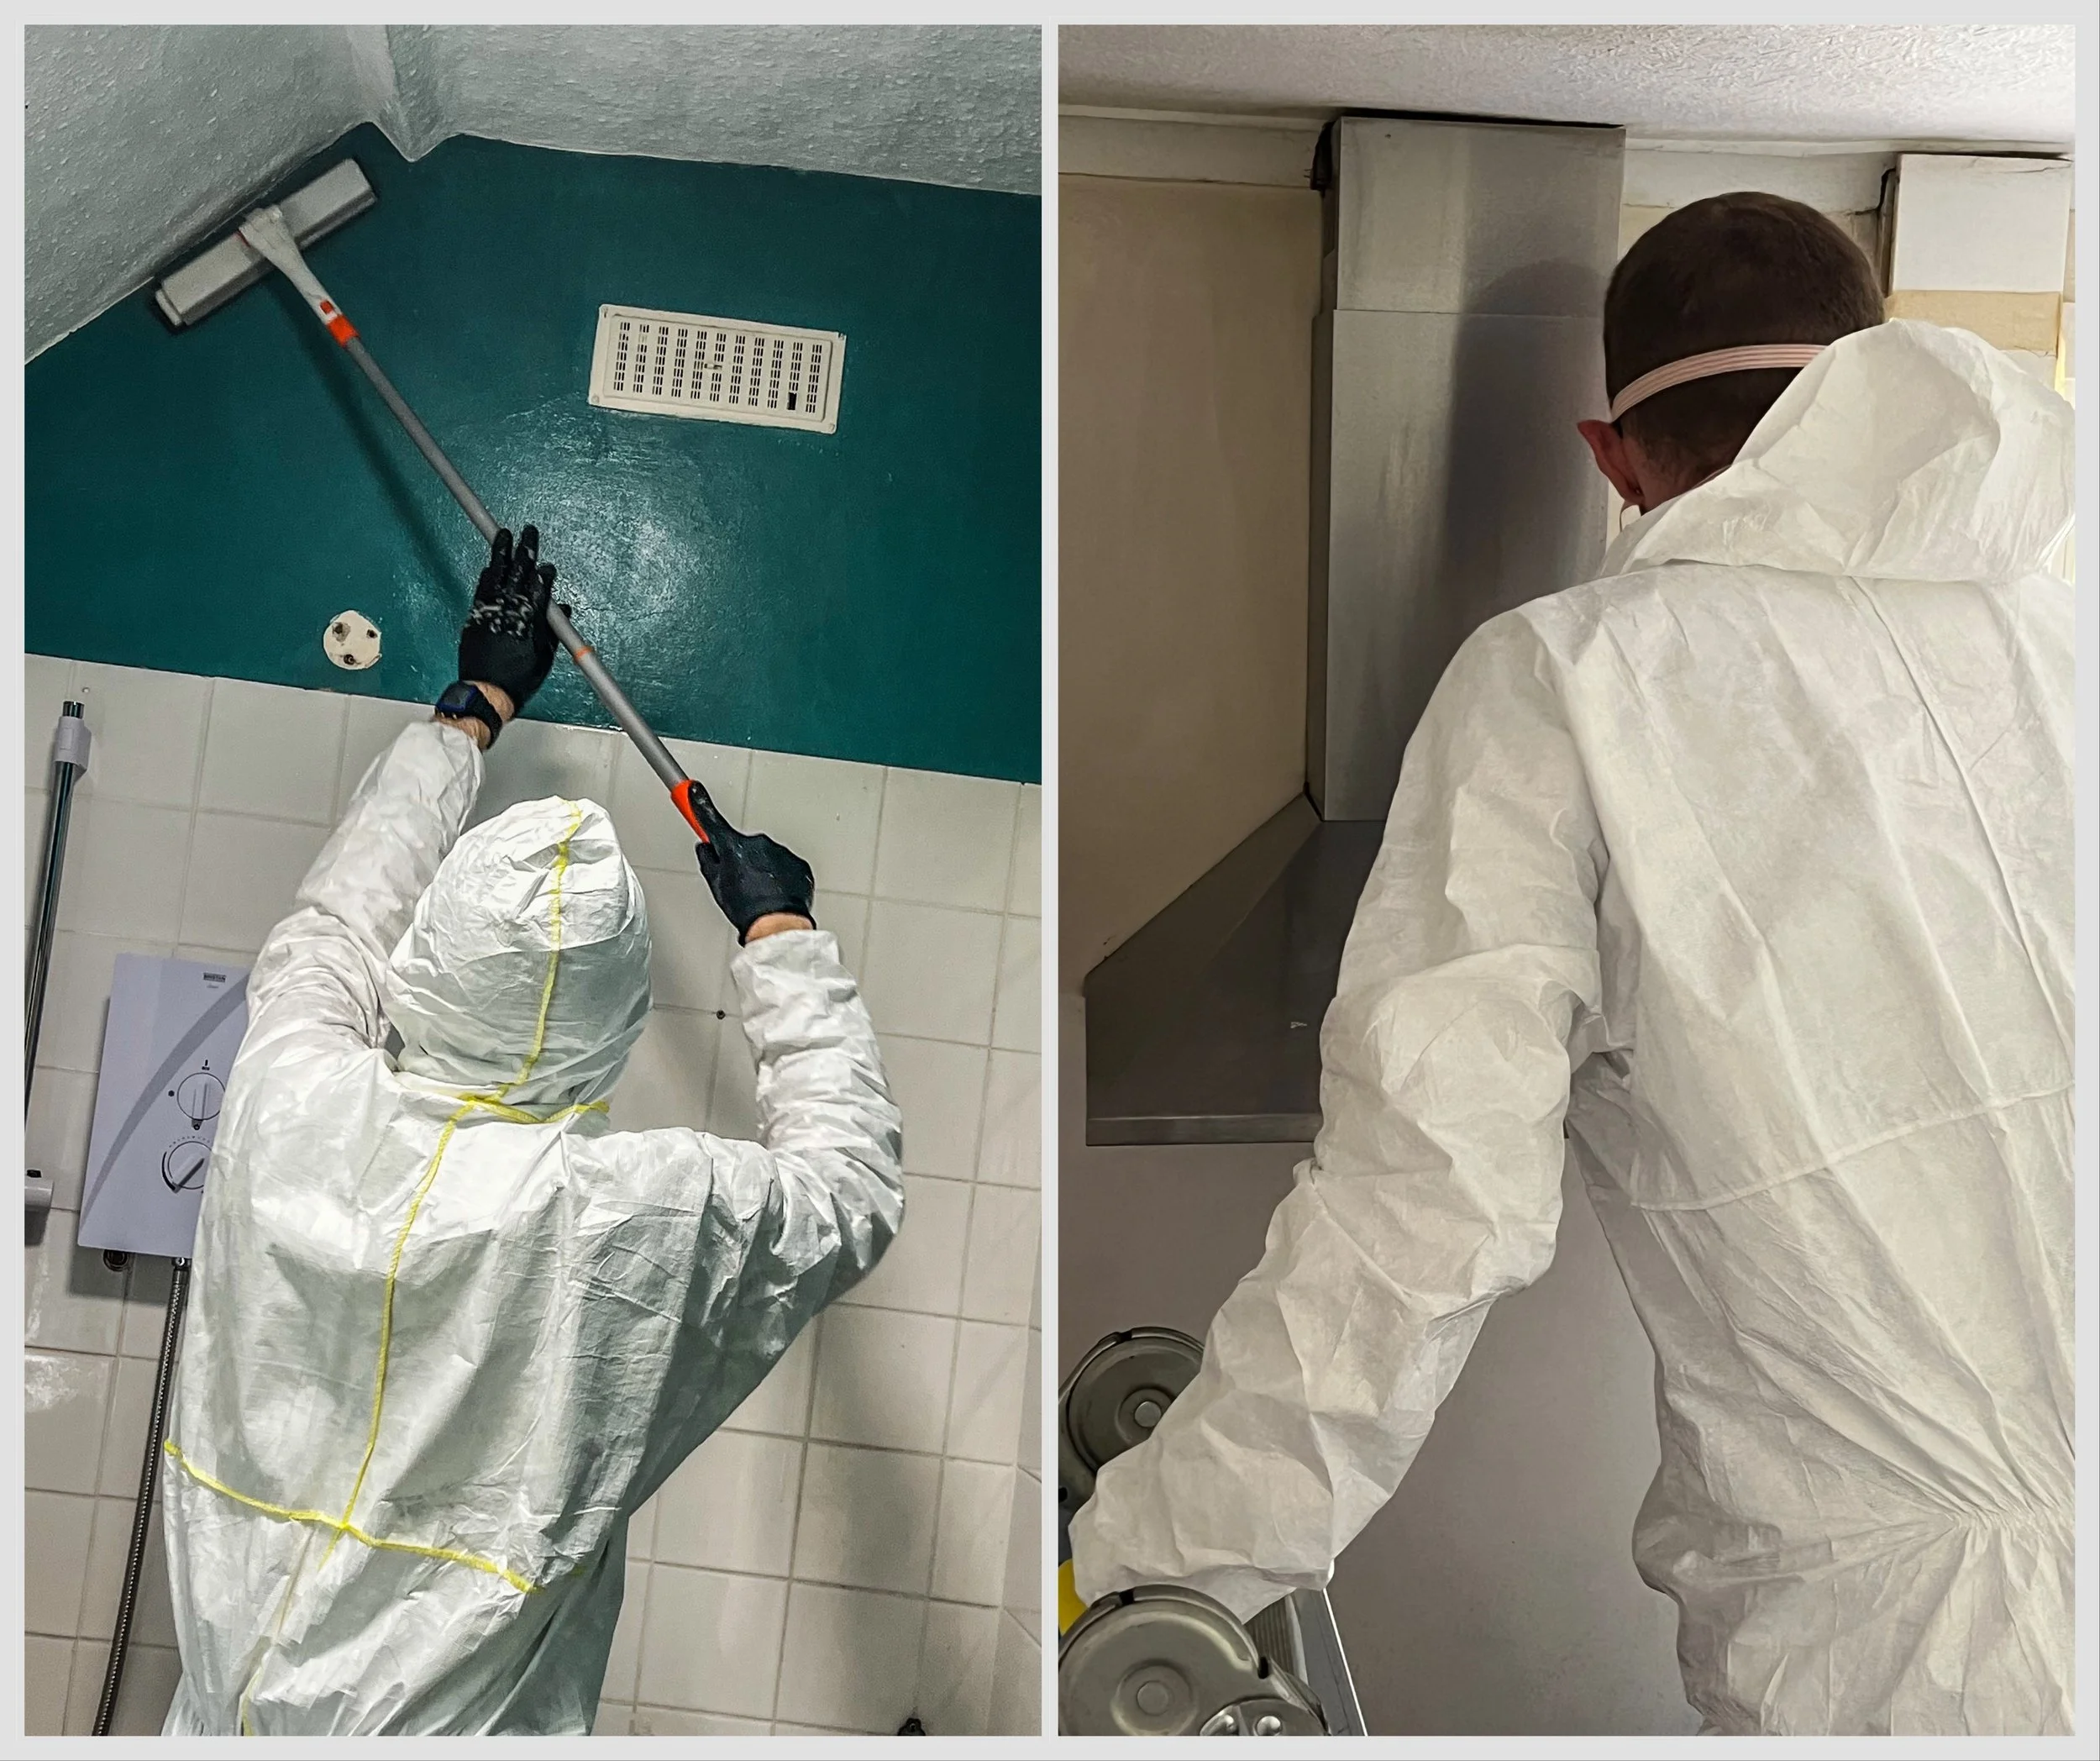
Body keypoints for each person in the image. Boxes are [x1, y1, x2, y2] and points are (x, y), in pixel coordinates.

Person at [1069, 192, 2073, 1736]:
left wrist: (1147, 1573)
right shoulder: (2063, 643)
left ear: (1612, 460)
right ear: (1873, 383)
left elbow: (1422, 1209)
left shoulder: (1577, 680)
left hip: (1912, 1661)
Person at [160, 527, 904, 1734]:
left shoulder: (291, 1095)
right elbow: (850, 1186)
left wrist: (475, 706)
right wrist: (782, 940)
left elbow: (339, 919)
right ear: (611, 1026)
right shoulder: (627, 1217)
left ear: (425, 971)